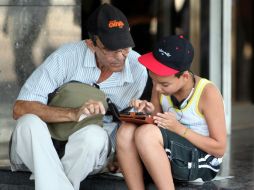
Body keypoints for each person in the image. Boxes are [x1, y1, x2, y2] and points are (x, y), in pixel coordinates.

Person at [10, 3, 147, 190]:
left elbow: (123, 124)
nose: (121, 56)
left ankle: (51, 180)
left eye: (125, 47)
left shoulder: (137, 70)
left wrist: (140, 115)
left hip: (88, 155)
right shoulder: (66, 57)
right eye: (113, 49)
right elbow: (20, 108)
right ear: (91, 44)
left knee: (94, 136)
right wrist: (73, 113)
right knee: (28, 123)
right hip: (44, 146)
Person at [116, 35, 227, 190]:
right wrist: (147, 110)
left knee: (146, 134)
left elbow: (219, 148)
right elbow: (157, 122)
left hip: (203, 162)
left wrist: (179, 129)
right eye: (153, 80)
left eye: (164, 84)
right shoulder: (160, 84)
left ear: (185, 76)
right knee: (125, 131)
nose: (157, 88)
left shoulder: (208, 93)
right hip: (172, 152)